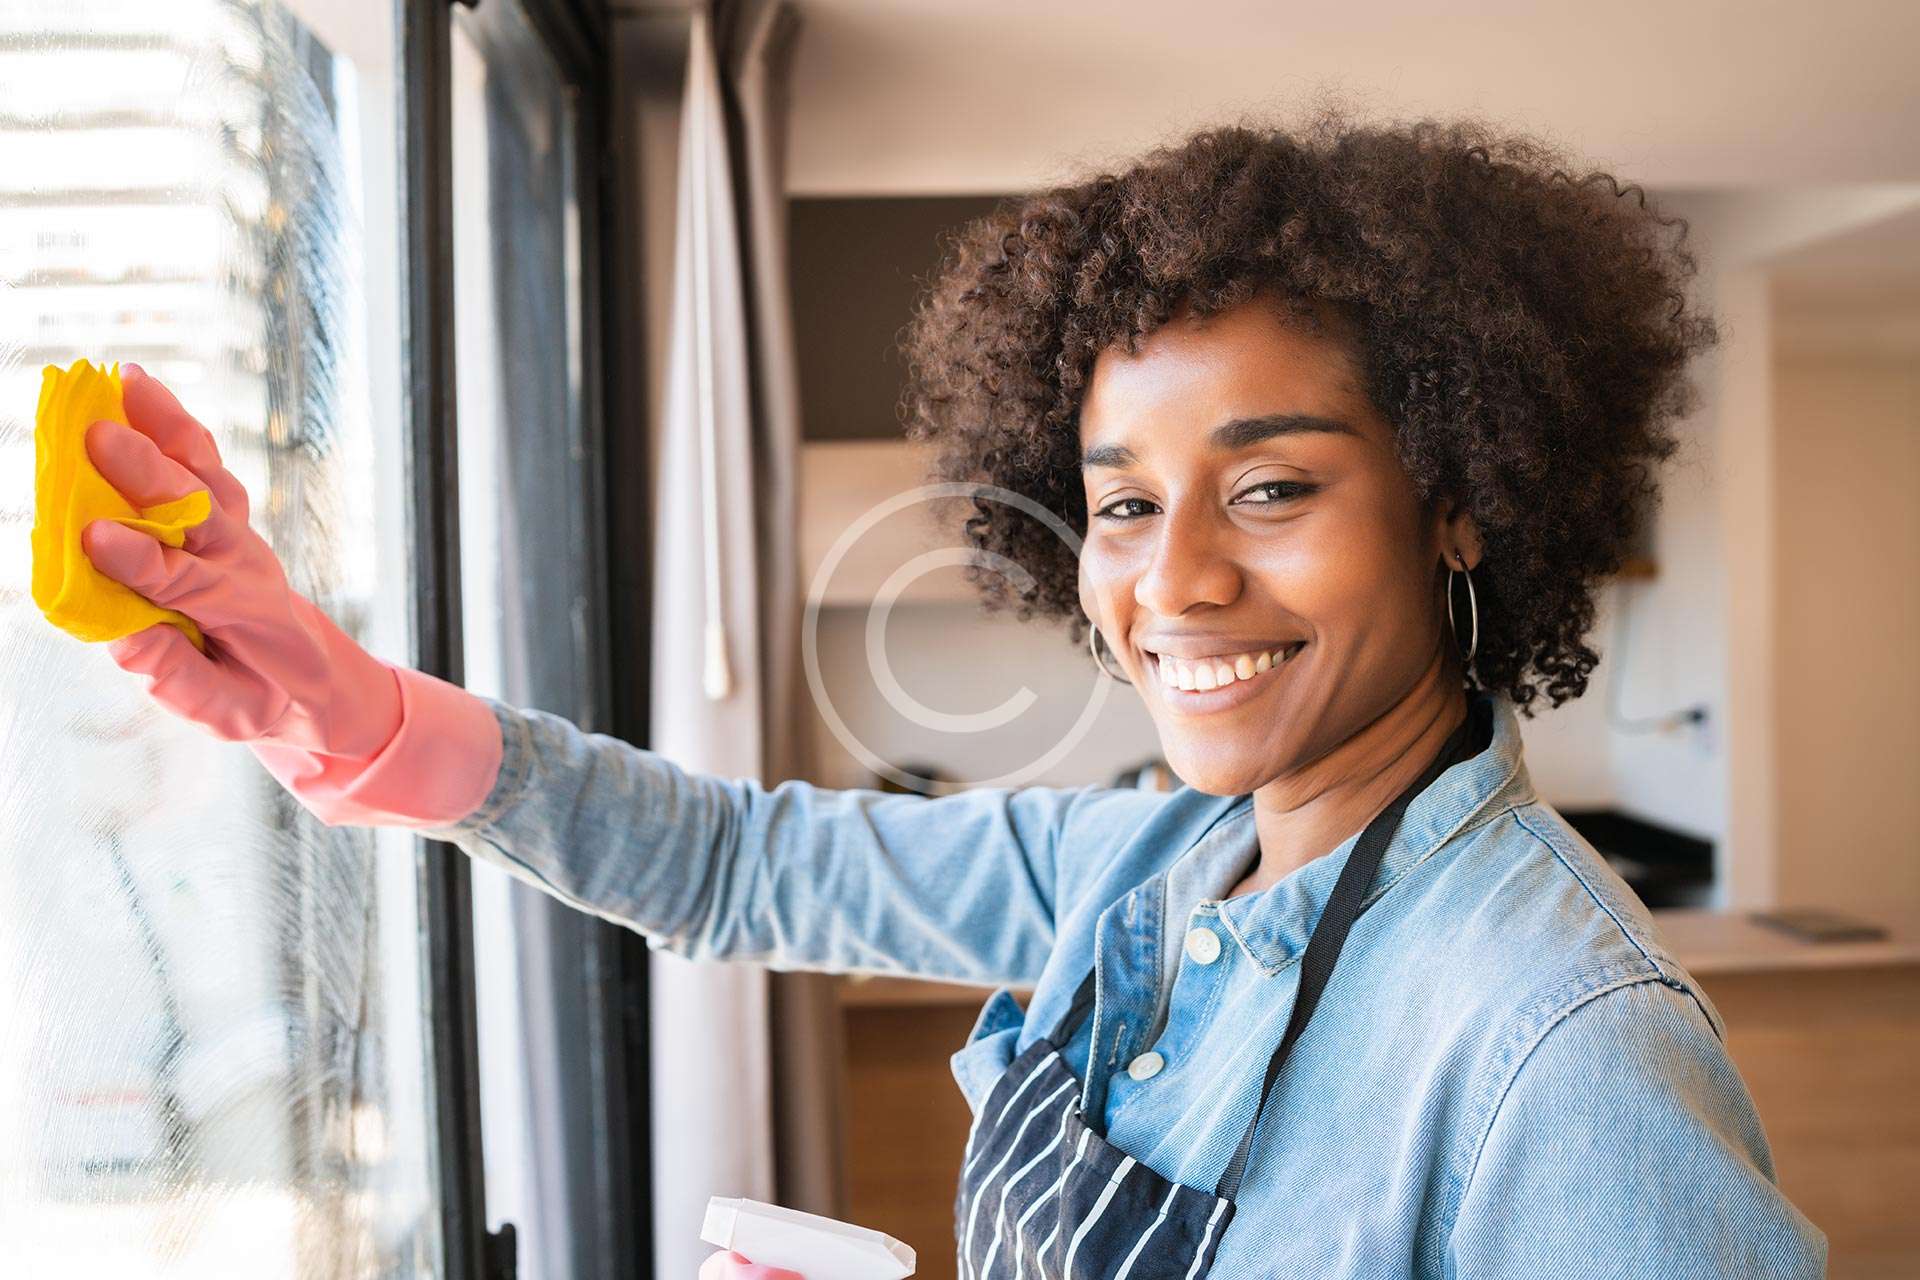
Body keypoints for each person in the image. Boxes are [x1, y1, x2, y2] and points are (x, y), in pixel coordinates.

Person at [76, 108, 1828, 1278]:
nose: (1178, 577)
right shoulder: (1151, 871)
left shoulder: (1561, 1048)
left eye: (1275, 486)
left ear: (1461, 494)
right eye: (1125, 504)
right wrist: (343, 703)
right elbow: (736, 866)